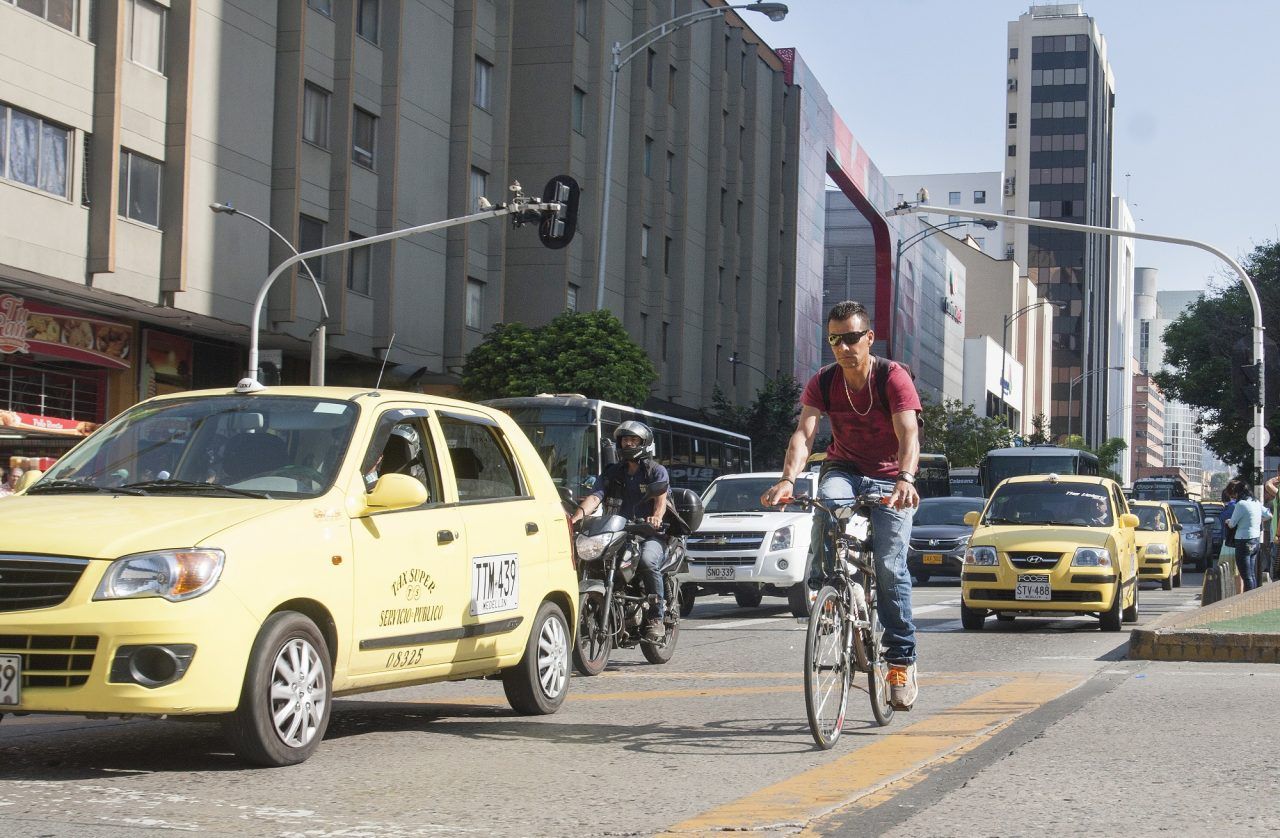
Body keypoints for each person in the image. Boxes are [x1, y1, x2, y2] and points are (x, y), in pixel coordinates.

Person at [760, 300, 922, 710]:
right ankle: (829, 591)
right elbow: (804, 433)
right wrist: (787, 479)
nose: (843, 347)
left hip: (890, 477)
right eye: (834, 339)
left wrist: (905, 478)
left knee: (889, 565)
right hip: (845, 468)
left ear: (869, 337)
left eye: (851, 338)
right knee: (827, 504)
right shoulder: (824, 381)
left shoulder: (893, 377)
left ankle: (900, 662)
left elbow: (908, 434)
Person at [570, 421, 670, 641]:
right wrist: (577, 517)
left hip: (648, 534)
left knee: (646, 560)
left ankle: (656, 617)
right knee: (594, 560)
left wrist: (656, 518)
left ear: (644, 444)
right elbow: (596, 496)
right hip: (619, 532)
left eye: (633, 440)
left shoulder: (656, 471)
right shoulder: (613, 471)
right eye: (625, 440)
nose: (628, 443)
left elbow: (660, 500)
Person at [1226, 481, 1271, 592]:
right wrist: (1259, 520)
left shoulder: (1241, 504)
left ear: (1239, 492)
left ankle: (1248, 600)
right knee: (1251, 574)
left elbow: (1232, 524)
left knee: (1246, 576)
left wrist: (1228, 521)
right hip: (1255, 541)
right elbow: (1269, 515)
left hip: (1243, 541)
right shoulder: (1256, 502)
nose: (1235, 496)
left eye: (1236, 493)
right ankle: (1253, 598)